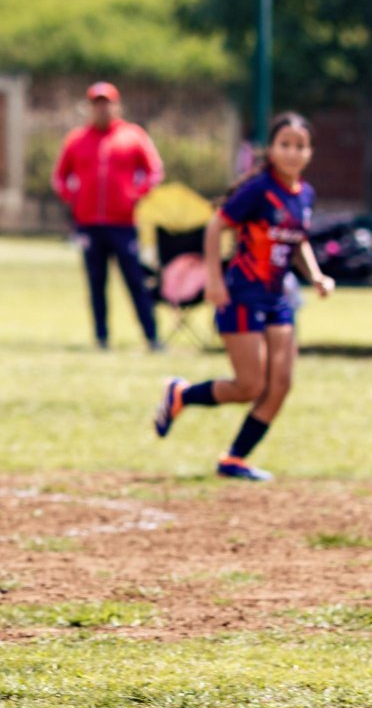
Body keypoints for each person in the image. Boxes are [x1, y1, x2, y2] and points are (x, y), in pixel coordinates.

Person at [153, 112, 335, 481]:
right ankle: (181, 395)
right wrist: (214, 280)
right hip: (242, 295)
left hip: (276, 298)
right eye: (285, 144)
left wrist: (316, 276)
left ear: (310, 152)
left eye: (300, 146)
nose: (292, 152)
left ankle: (234, 459)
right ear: (271, 149)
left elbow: (296, 239)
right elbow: (217, 224)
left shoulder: (305, 194)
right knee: (249, 386)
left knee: (280, 384)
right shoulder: (259, 189)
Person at [52, 82, 166, 350]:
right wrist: (75, 200)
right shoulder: (77, 139)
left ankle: (151, 336)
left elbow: (154, 171)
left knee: (135, 281)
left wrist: (135, 195)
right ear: (90, 107)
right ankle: (101, 337)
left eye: (107, 102)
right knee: (96, 283)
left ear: (116, 105)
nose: (102, 108)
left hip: (123, 223)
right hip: (89, 224)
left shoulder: (133, 136)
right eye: (97, 103)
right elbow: (60, 177)